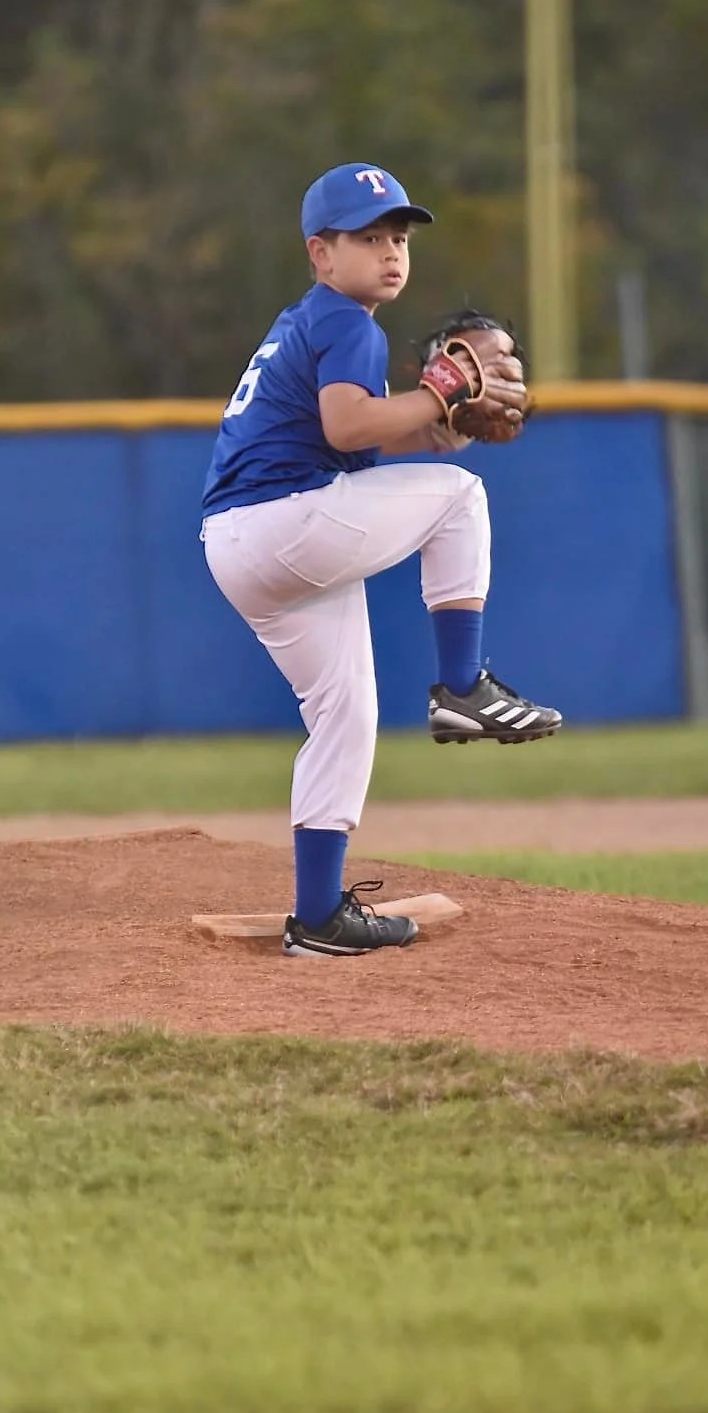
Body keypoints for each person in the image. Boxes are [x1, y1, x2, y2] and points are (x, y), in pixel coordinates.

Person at [200, 162, 561, 959]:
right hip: (280, 524)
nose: (391, 250)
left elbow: (379, 433)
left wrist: (452, 420)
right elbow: (346, 428)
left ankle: (319, 918)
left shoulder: (320, 325)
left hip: (245, 544)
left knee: (345, 716)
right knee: (459, 498)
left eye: (399, 236)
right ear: (319, 254)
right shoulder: (343, 322)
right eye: (368, 237)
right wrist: (439, 400)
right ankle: (463, 687)